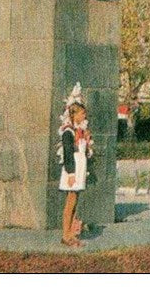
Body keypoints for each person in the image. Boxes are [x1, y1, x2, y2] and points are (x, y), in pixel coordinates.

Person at [58, 92, 93, 247]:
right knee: (70, 202)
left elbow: (82, 150)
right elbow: (67, 154)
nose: (84, 116)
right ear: (74, 114)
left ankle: (71, 234)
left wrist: (86, 139)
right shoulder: (68, 132)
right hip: (72, 170)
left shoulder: (78, 131)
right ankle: (66, 235)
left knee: (75, 201)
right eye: (82, 113)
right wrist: (71, 173)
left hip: (79, 168)